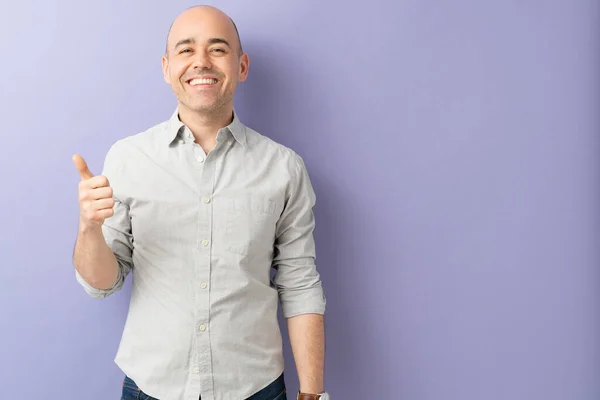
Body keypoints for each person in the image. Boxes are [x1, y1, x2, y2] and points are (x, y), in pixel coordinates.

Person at [72, 5, 329, 400]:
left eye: (218, 49)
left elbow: (300, 284)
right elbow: (104, 284)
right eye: (186, 50)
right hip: (150, 388)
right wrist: (89, 228)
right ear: (166, 66)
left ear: (241, 66)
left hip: (256, 389)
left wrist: (313, 394)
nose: (201, 62)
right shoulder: (128, 158)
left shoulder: (284, 168)